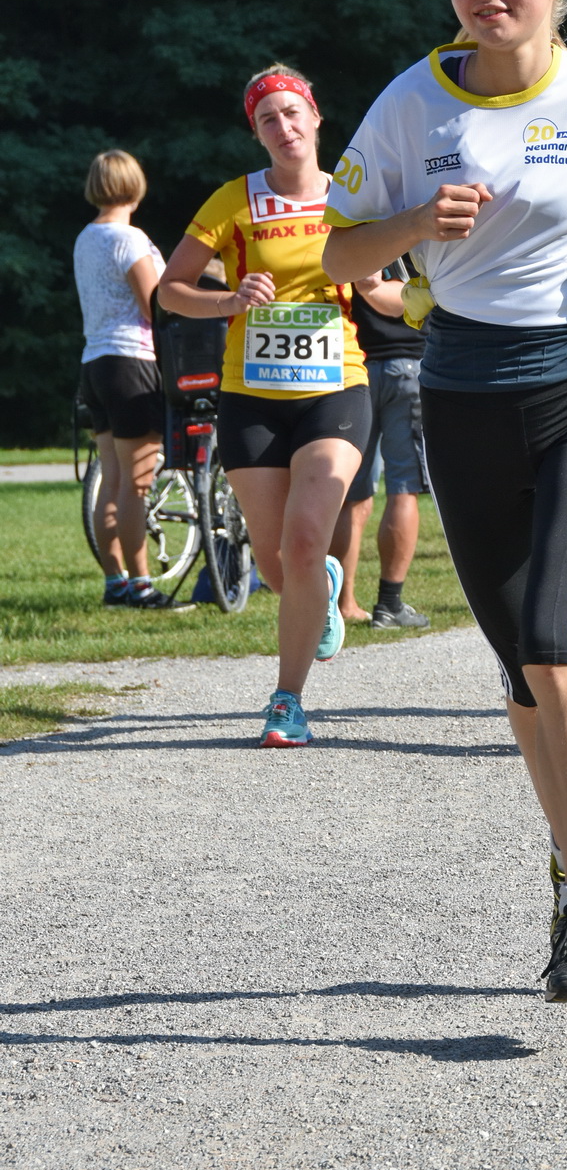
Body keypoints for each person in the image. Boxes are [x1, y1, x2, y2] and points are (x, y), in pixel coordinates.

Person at [322, 0, 567, 1002]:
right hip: (460, 390)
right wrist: (417, 225)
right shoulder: (409, 109)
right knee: (521, 661)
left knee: (553, 634)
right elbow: (336, 257)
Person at [158, 65, 371, 747]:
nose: (283, 127)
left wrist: (429, 302)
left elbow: (382, 287)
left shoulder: (352, 198)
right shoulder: (233, 200)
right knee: (279, 565)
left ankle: (287, 700)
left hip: (336, 386)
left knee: (305, 537)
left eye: (291, 112)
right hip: (251, 395)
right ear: (256, 132)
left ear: (315, 117)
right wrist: (228, 301)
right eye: (266, 119)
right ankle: (320, 583)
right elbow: (170, 289)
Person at [73, 150, 168, 608]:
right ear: (135, 184)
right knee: (136, 483)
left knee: (110, 480)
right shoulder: (129, 239)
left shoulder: (85, 238)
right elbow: (155, 306)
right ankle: (142, 582)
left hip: (95, 363)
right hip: (133, 362)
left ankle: (115, 581)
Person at [329, 262, 431, 630]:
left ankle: (341, 603)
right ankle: (389, 604)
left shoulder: (352, 221)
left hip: (354, 367)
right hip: (409, 365)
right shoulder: (415, 220)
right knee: (403, 488)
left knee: (350, 494)